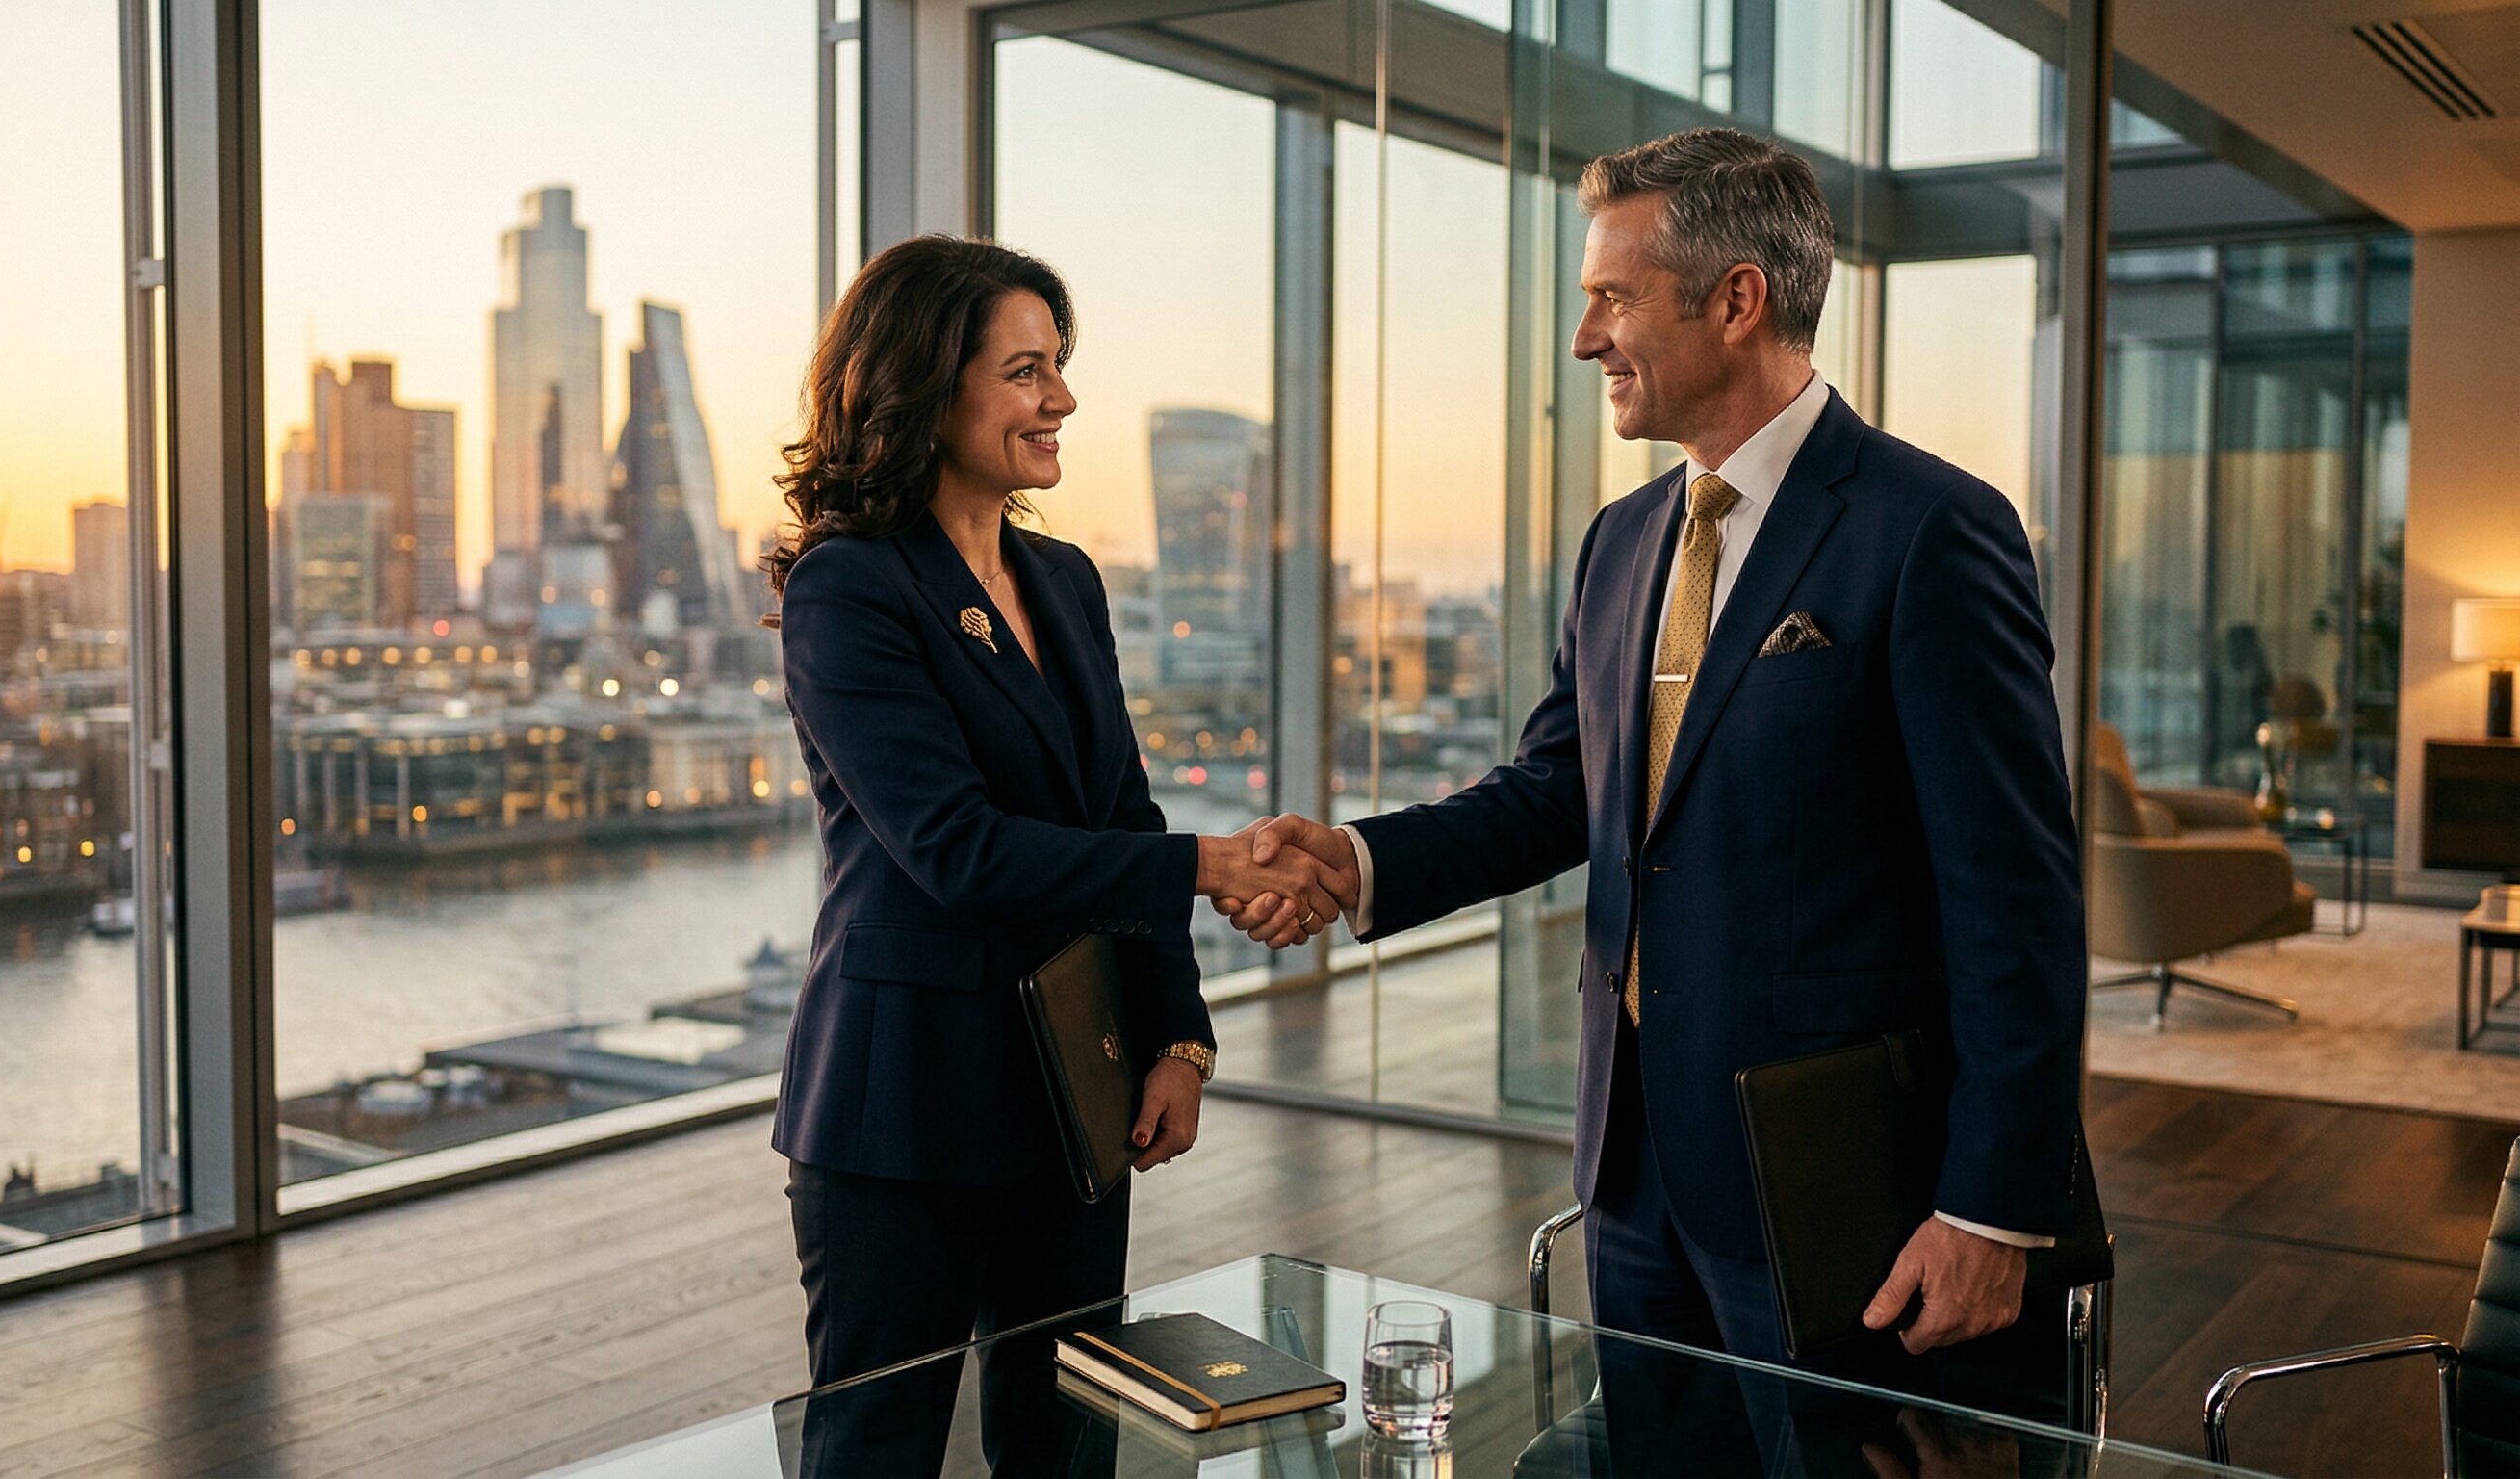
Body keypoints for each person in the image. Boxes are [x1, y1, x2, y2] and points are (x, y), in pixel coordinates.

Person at [1221, 128, 2087, 1408]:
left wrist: (1994, 1210)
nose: (1586, 342)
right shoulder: (1623, 543)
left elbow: (2017, 898)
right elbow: (1557, 790)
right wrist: (1356, 859)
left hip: (1844, 1185)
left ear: (1738, 300)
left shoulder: (1933, 532)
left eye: (1612, 299)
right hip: (1632, 1179)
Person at [768, 235, 1350, 1474]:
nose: (1063, 401)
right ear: (928, 386)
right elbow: (958, 852)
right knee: (875, 1451)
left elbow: (1121, 818)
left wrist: (1178, 1039)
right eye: (1027, 371)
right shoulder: (849, 588)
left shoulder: (1065, 578)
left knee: (1068, 1445)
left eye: (1061, 367)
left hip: (1069, 1099)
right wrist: (1215, 863)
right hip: (902, 1116)